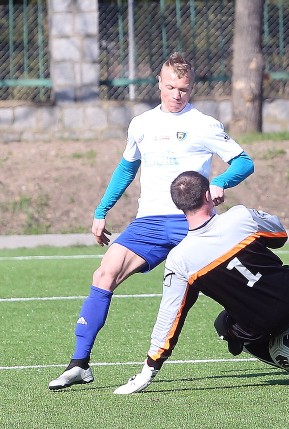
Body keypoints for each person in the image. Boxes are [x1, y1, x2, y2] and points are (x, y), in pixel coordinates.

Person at [49, 52, 255, 390]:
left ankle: (270, 339)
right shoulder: (141, 124)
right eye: (171, 87)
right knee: (104, 273)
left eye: (183, 89)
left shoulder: (204, 124)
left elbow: (244, 162)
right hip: (149, 223)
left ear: (191, 88)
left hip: (194, 223)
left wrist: (220, 182)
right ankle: (79, 363)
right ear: (158, 83)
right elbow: (127, 169)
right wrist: (101, 211)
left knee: (240, 289)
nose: (177, 95)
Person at [113, 171, 289, 394]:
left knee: (224, 325)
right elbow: (280, 236)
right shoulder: (240, 216)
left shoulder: (179, 260)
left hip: (258, 320)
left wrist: (149, 369)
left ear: (179, 206)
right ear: (208, 195)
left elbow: (171, 318)